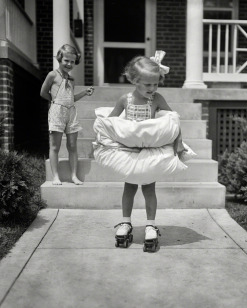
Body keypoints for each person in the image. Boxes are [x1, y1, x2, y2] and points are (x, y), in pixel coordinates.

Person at [108, 51, 186, 250]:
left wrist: (179, 141)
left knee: (149, 188)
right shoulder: (125, 100)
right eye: (148, 85)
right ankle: (126, 222)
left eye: (156, 84)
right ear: (134, 80)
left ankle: (150, 225)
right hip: (130, 150)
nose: (153, 88)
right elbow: (110, 122)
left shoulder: (157, 99)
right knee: (130, 187)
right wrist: (104, 143)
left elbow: (173, 120)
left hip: (149, 151)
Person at [40, 44, 94, 185]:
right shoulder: (52, 75)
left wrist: (84, 93)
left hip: (71, 112)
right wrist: (54, 101)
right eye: (66, 61)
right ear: (59, 59)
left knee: (72, 145)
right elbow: (43, 92)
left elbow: (71, 98)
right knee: (55, 146)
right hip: (57, 112)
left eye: (72, 61)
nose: (69, 64)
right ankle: (55, 176)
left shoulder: (72, 79)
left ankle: (74, 175)